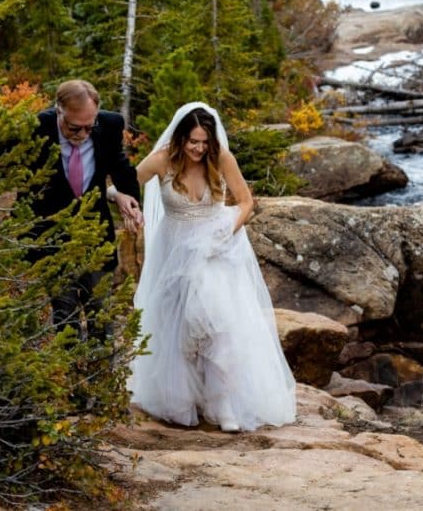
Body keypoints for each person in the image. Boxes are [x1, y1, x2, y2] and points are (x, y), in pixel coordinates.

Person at [113, 102, 296, 432]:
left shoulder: (221, 157)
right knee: (178, 323)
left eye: (204, 142)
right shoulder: (161, 159)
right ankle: (183, 399)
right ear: (181, 137)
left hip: (216, 245)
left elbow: (245, 202)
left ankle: (222, 401)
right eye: (193, 141)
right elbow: (121, 185)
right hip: (174, 247)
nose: (199, 148)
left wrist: (227, 231)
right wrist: (124, 203)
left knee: (217, 321)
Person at [0, 79, 142, 339]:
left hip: (96, 236)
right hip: (48, 238)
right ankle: (68, 374)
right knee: (64, 316)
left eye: (88, 128)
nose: (82, 135)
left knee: (101, 315)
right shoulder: (33, 128)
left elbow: (121, 166)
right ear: (58, 110)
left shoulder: (110, 124)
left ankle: (101, 371)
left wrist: (126, 195)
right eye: (74, 128)